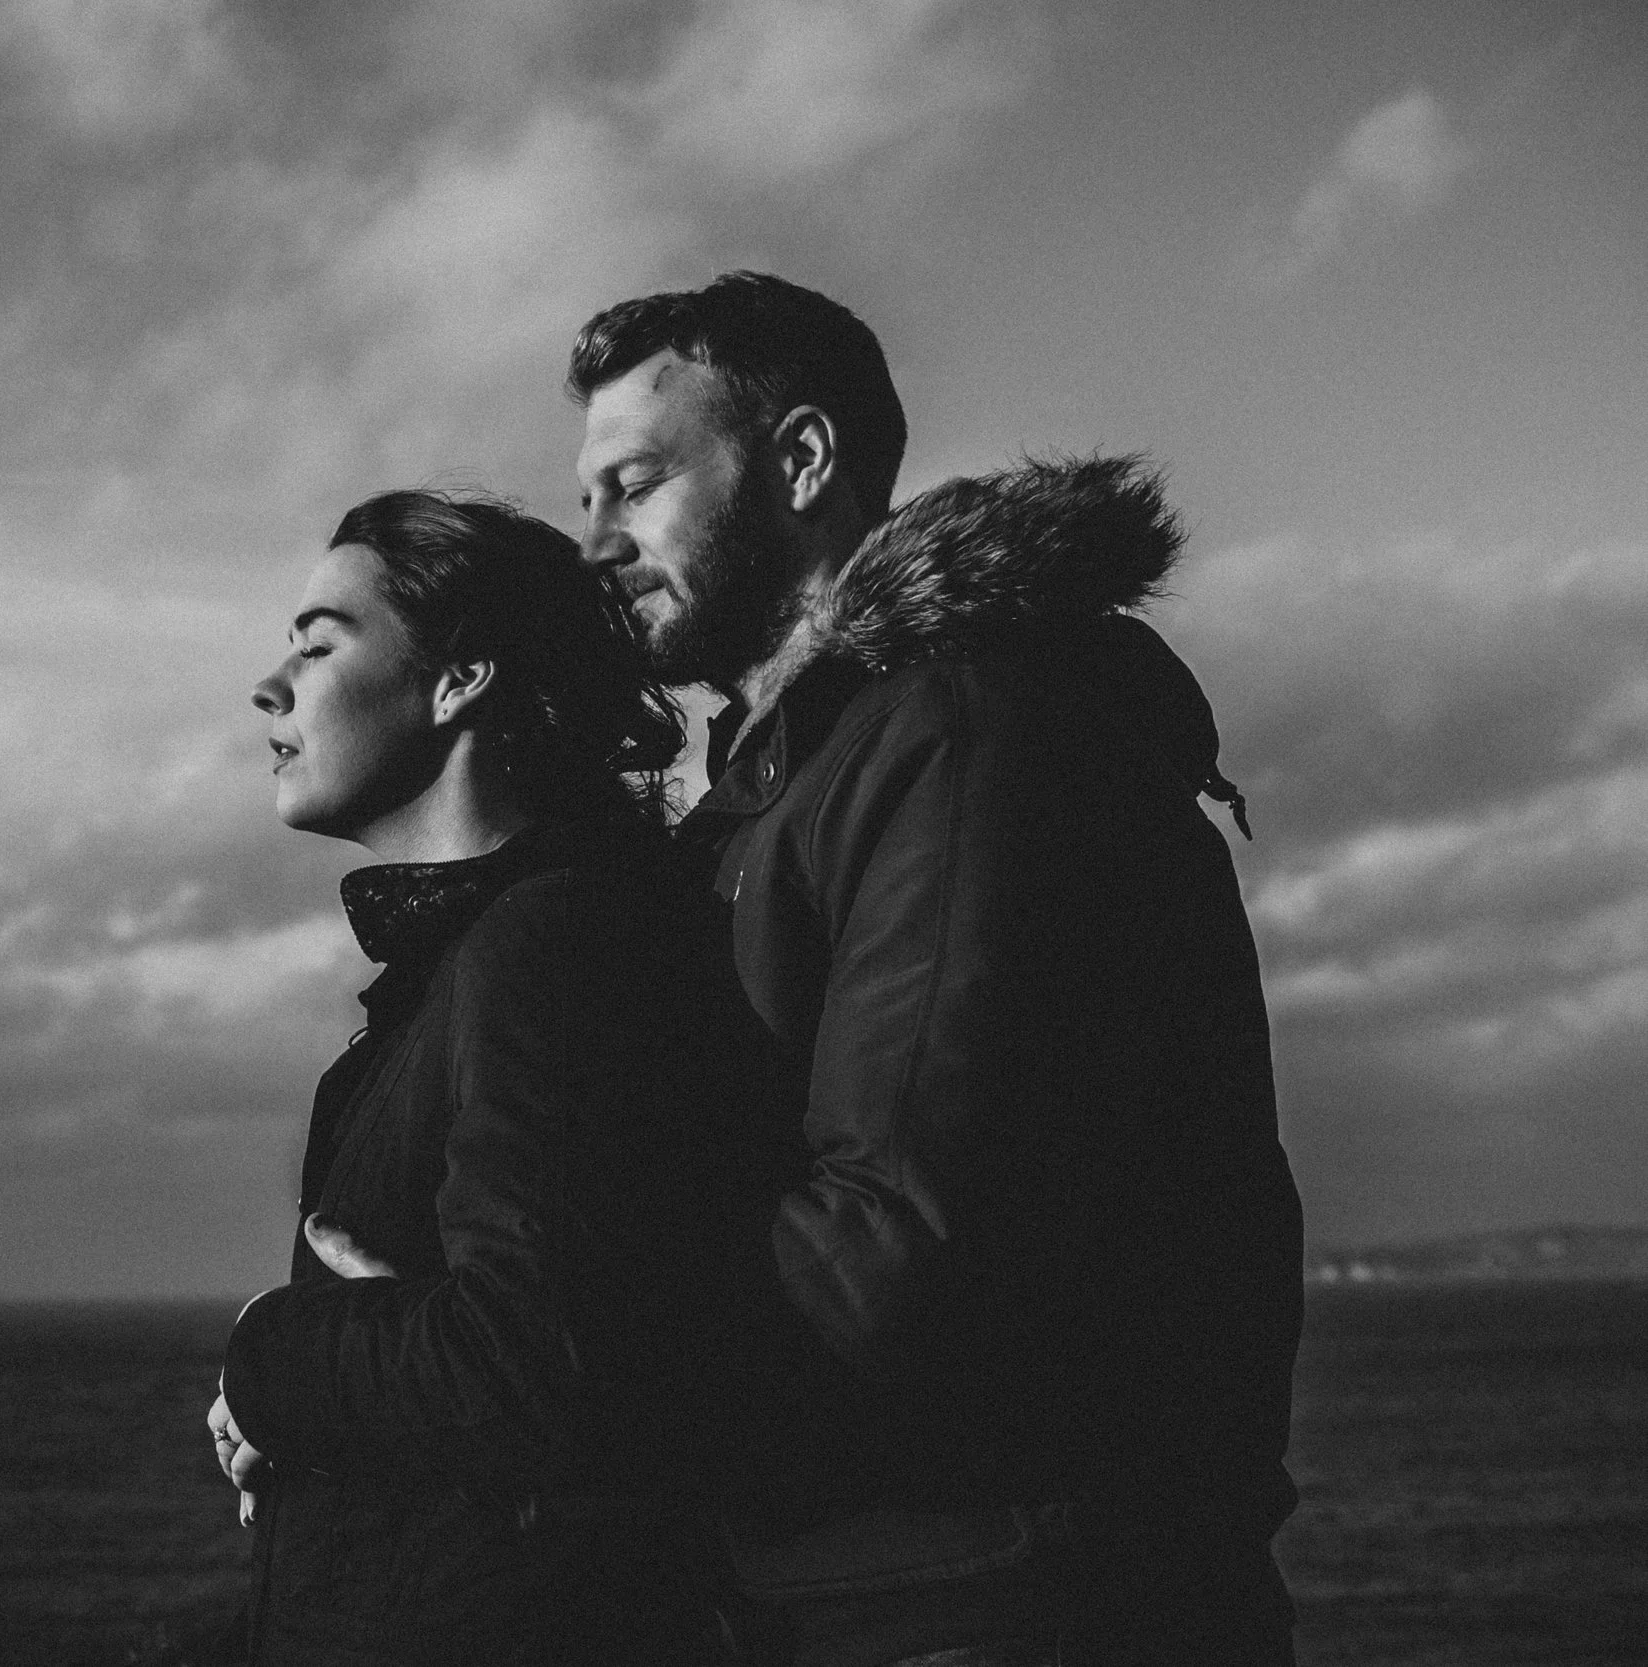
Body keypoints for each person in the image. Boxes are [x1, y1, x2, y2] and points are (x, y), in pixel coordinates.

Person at [567, 272, 1305, 1666]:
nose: (595, 540)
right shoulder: (793, 775)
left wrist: (514, 1358)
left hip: (999, 1603)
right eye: (586, 497)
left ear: (802, 459)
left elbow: (893, 1258)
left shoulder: (962, 731)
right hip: (883, 1589)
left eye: (637, 482)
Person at [206, 488, 797, 1666]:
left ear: (459, 678)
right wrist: (334, 1406)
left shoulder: (555, 942)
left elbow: (532, 1363)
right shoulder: (449, 986)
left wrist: (271, 1354)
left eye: (320, 642)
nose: (270, 684)